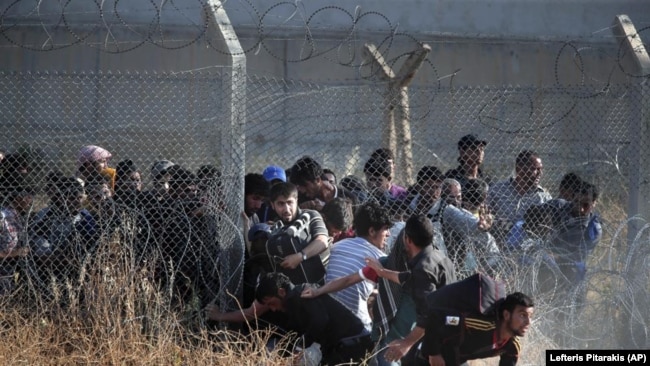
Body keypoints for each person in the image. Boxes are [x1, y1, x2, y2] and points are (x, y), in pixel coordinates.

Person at [365, 215, 457, 364]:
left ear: (407, 239)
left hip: (438, 337)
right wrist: (382, 273)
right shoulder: (438, 257)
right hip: (451, 328)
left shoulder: (423, 269)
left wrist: (405, 344)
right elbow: (408, 278)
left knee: (388, 357)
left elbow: (427, 316)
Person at [255, 272, 374, 365]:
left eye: (272, 303)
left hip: (353, 343)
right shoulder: (294, 302)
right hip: (347, 345)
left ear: (281, 292)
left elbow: (320, 320)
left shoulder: (302, 295)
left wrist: (300, 347)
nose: (273, 309)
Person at [323, 201, 392, 331]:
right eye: (386, 229)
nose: (388, 234)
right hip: (358, 327)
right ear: (372, 231)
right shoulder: (379, 259)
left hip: (327, 318)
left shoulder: (337, 246)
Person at [421, 292, 535, 366]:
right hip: (428, 357)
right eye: (522, 315)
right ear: (506, 315)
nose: (528, 322)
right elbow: (437, 317)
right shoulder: (479, 324)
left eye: (530, 316)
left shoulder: (512, 346)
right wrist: (434, 353)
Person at [266, 182, 330, 285]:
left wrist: (300, 257)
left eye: (290, 202)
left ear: (296, 201)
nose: (286, 209)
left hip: (321, 282)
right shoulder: (276, 229)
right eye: (281, 204)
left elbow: (322, 242)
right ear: (273, 205)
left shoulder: (311, 215)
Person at [487, 150, 552, 243]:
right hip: (498, 244)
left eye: (541, 169)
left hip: (531, 248)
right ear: (520, 169)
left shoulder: (544, 197)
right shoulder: (497, 190)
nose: (540, 173)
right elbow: (486, 216)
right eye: (535, 169)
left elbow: (548, 227)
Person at [289, 156, 358, 211]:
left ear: (318, 180)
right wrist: (299, 210)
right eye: (298, 186)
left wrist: (325, 210)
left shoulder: (349, 199)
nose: (302, 190)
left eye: (304, 185)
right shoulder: (301, 199)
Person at [0, 183, 32, 295]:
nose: (31, 200)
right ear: (19, 198)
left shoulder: (19, 216)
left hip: (12, 264)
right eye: (29, 196)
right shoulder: (2, 216)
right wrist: (15, 253)